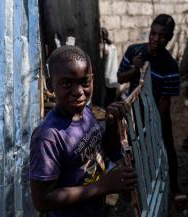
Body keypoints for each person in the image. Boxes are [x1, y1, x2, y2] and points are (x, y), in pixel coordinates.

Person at [30, 45, 137, 217]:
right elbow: (42, 200)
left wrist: (110, 126)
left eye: (84, 82)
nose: (79, 92)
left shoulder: (85, 112)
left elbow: (105, 151)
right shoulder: (49, 137)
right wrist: (104, 186)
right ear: (50, 85)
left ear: (92, 79)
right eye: (67, 83)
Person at [117, 14, 188, 208]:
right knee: (130, 149)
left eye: (162, 36)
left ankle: (174, 187)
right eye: (153, 33)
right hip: (134, 113)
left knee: (167, 147)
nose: (156, 39)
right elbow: (121, 78)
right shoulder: (134, 51)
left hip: (157, 113)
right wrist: (135, 69)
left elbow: (165, 102)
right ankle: (129, 188)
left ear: (170, 38)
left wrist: (157, 126)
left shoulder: (170, 66)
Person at [100, 27, 119, 106]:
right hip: (114, 76)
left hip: (108, 77)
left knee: (108, 100)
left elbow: (102, 62)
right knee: (112, 98)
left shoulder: (106, 49)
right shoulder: (113, 47)